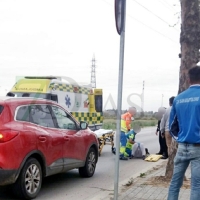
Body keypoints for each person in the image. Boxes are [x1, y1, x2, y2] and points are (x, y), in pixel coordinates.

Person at [167, 66, 200, 200]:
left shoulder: (178, 98)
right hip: (198, 148)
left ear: (188, 79)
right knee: (197, 185)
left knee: (175, 183)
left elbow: (172, 126)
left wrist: (180, 138)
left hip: (182, 147)